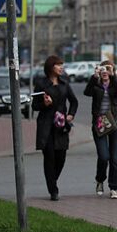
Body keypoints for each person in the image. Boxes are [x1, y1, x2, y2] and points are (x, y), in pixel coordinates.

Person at [32, 55, 78, 201]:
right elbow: (34, 106)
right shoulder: (41, 84)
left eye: (62, 65)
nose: (61, 67)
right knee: (50, 158)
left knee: (61, 157)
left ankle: (52, 180)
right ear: (51, 67)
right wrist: (45, 104)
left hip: (61, 126)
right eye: (58, 65)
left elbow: (74, 102)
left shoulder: (64, 83)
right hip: (47, 126)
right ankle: (53, 190)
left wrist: (71, 114)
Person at [84, 60, 117, 199]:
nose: (105, 71)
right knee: (104, 156)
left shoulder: (115, 84)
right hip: (100, 123)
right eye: (103, 69)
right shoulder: (96, 84)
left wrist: (113, 77)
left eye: (108, 69)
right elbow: (87, 93)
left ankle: (113, 188)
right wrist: (94, 78)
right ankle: (100, 180)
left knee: (115, 157)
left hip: (115, 123)